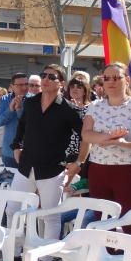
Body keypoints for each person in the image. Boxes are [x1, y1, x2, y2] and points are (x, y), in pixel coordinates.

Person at [11, 65, 87, 236]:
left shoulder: (69, 109)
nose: (45, 79)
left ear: (61, 83)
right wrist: (16, 146)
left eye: (51, 77)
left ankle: (46, 260)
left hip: (52, 170)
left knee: (50, 216)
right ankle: (14, 253)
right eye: (43, 75)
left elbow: (85, 136)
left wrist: (77, 162)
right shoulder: (30, 103)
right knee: (12, 210)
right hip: (26, 166)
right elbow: (21, 126)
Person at [81, 63, 131, 229]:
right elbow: (86, 134)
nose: (111, 82)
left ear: (127, 80)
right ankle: (105, 254)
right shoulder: (95, 106)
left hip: (129, 170)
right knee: (102, 219)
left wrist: (126, 143)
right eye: (106, 78)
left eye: (116, 78)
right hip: (99, 170)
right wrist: (108, 137)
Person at [0, 73, 29, 172]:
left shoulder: (33, 100)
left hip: (27, 152)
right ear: (11, 86)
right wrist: (10, 109)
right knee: (10, 183)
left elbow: (28, 124)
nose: (24, 87)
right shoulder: (4, 99)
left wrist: (19, 109)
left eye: (26, 84)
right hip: (9, 153)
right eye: (20, 85)